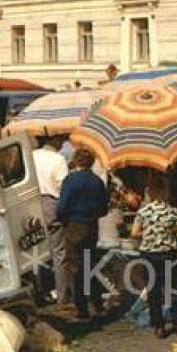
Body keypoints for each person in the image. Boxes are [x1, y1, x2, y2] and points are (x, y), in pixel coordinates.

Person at [130, 171, 177, 338]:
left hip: (149, 255)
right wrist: (168, 233)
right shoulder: (173, 211)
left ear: (149, 192)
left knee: (153, 290)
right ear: (166, 192)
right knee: (176, 289)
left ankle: (159, 326)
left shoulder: (143, 212)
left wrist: (149, 233)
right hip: (170, 254)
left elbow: (135, 232)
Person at [56, 147, 109, 321]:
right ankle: (98, 303)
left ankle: (82, 309)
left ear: (76, 160)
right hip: (92, 226)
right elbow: (103, 208)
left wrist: (63, 220)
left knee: (75, 268)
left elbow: (62, 206)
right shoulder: (97, 181)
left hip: (74, 225)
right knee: (90, 264)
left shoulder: (71, 180)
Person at [32, 134, 69, 302]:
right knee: (59, 252)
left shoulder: (32, 155)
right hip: (51, 201)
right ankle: (61, 294)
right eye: (61, 140)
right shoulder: (58, 159)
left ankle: (39, 291)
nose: (62, 143)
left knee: (37, 249)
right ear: (54, 140)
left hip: (32, 203)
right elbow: (63, 185)